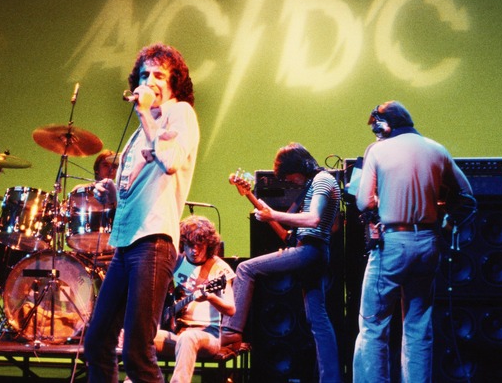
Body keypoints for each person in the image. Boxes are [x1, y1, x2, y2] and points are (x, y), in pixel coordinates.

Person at [85, 43, 200, 382]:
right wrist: (112, 194)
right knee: (97, 342)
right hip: (128, 243)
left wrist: (147, 119)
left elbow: (171, 162)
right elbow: (137, 185)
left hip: (154, 241)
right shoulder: (140, 131)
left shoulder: (180, 113)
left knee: (137, 352)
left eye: (159, 76)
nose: (149, 81)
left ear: (174, 83)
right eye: (145, 75)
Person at [352, 101, 475, 382]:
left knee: (373, 327)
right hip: (428, 243)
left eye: (376, 129)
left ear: (384, 126)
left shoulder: (378, 150)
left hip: (394, 242)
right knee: (418, 327)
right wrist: (448, 222)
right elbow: (467, 197)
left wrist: (382, 201)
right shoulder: (436, 149)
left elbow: (363, 201)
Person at [221, 142, 342, 382]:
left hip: (311, 251)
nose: (289, 181)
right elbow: (286, 235)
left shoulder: (321, 181)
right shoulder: (311, 185)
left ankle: (231, 331)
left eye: (290, 175)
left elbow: (314, 219)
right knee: (317, 320)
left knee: (246, 269)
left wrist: (273, 214)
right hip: (312, 250)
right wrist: (250, 197)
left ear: (302, 167)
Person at [154, 215, 235, 383]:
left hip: (208, 336)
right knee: (141, 335)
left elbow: (231, 309)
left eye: (200, 245)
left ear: (209, 245)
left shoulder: (219, 268)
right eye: (190, 245)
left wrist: (211, 297)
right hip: (177, 333)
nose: (194, 250)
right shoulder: (176, 262)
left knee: (188, 338)